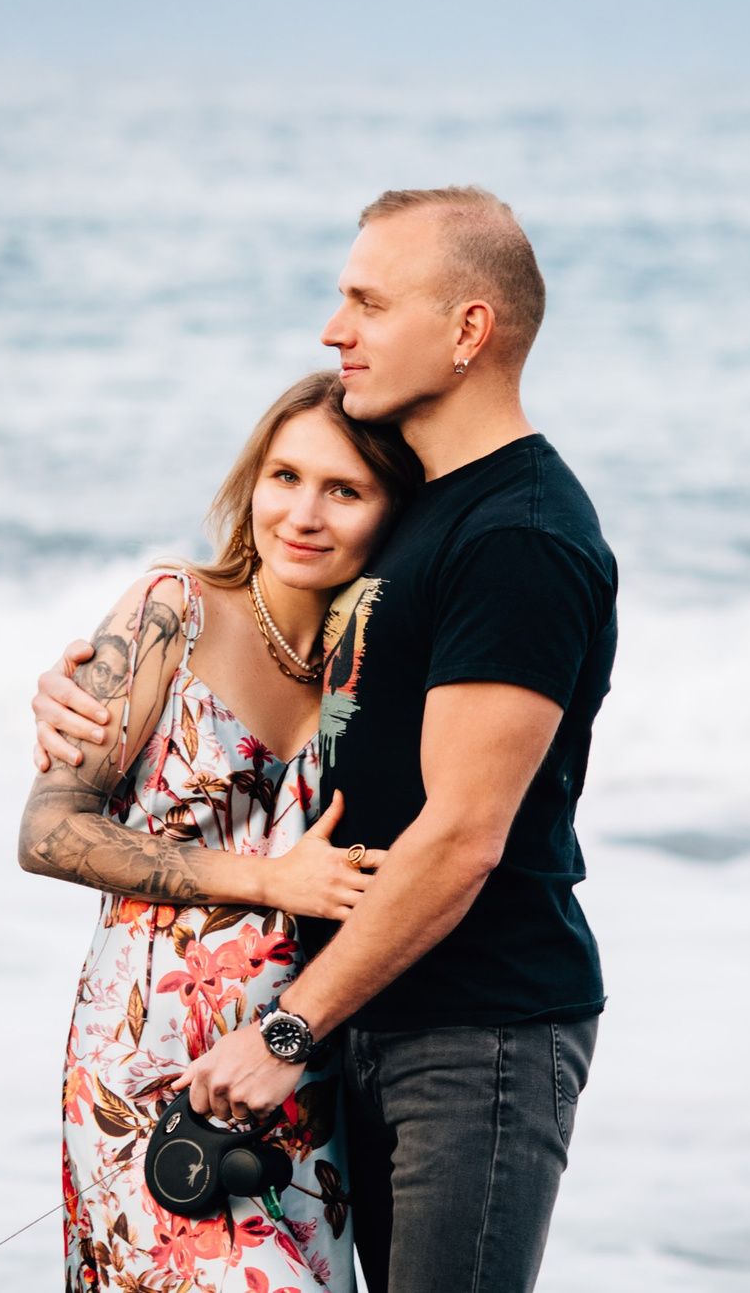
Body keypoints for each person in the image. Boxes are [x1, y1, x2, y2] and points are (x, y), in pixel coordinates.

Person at [36, 187, 618, 1293]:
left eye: (367, 300)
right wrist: (83, 687)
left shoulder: (521, 537)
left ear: (467, 331)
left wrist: (286, 1036)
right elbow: (262, 632)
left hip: (473, 1028)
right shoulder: (426, 509)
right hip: (359, 1021)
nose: (333, 327)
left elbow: (462, 835)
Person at [17, 370, 424, 1293]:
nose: (304, 513)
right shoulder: (173, 608)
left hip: (297, 1074)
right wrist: (270, 880)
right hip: (147, 1063)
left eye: (344, 490)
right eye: (285, 477)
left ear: (390, 512)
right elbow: (47, 832)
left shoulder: (372, 663)